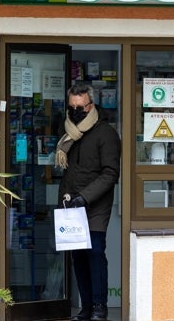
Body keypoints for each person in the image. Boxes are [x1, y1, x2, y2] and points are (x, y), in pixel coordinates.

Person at [55, 83, 121, 321]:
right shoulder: (68, 132)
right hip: (71, 204)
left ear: (91, 105)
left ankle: (99, 307)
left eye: (80, 107)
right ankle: (85, 308)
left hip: (95, 204)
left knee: (94, 252)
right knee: (78, 257)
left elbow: (111, 173)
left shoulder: (106, 134)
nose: (75, 111)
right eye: (72, 107)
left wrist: (85, 197)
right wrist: (67, 199)